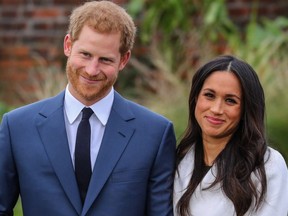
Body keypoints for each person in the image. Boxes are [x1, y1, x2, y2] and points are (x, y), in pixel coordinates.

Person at [0, 1, 176, 216]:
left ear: (124, 60)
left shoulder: (155, 133)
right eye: (85, 54)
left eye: (105, 60)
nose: (92, 70)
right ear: (68, 45)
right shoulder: (17, 127)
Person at [173, 55, 288, 216]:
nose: (216, 109)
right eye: (209, 95)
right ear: (195, 99)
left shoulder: (267, 165)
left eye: (230, 101)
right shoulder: (178, 159)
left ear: (245, 110)